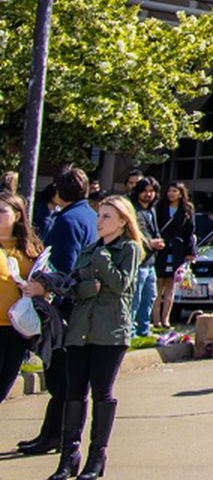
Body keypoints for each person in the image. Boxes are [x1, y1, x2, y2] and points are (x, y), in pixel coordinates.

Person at [30, 193, 141, 480]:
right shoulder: (89, 249)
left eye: (106, 216)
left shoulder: (127, 248)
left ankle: (97, 457)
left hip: (110, 332)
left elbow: (119, 284)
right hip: (79, 331)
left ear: (122, 221)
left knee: (102, 393)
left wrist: (102, 259)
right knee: (74, 393)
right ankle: (69, 457)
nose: (99, 221)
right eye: (99, 215)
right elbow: (76, 286)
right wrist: (85, 286)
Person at [16, 166, 98, 461]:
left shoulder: (67, 221)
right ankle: (52, 434)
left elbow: (60, 266)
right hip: (85, 309)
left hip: (66, 309)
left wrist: (45, 288)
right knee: (68, 378)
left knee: (61, 377)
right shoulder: (90, 216)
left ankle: (57, 436)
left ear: (58, 192)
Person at [0, 192, 43, 404]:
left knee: (4, 385)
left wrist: (37, 289)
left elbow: (46, 283)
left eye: (2, 211)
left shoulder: (30, 248)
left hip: (19, 328)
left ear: (17, 216)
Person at [150, 182, 195, 333]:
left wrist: (190, 252)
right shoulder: (159, 207)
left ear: (181, 193)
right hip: (161, 249)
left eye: (175, 191)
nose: (171, 194)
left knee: (171, 285)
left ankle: (166, 319)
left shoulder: (187, 209)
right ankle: (155, 318)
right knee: (158, 284)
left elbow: (190, 232)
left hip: (177, 250)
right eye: (169, 191)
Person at [126, 180, 160, 340]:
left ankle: (143, 330)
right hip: (138, 261)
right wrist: (149, 242)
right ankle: (130, 330)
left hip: (151, 261)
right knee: (135, 298)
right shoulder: (134, 209)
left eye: (152, 191)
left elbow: (154, 231)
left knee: (150, 297)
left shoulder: (151, 210)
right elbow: (135, 232)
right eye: (145, 191)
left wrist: (158, 240)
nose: (148, 194)